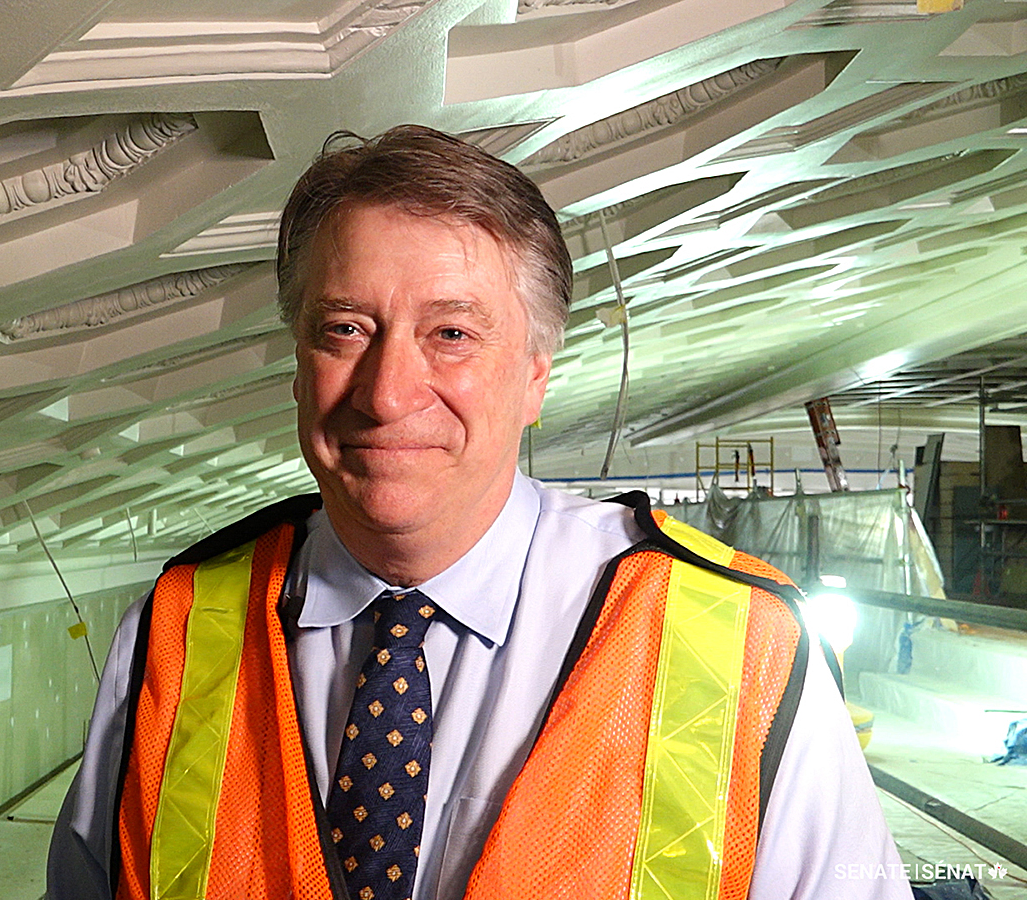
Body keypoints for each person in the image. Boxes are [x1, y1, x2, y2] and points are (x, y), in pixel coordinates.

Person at [47, 125, 910, 900]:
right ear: (298, 363)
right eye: (345, 329)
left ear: (536, 375)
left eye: (451, 334)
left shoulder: (739, 643)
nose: (387, 394)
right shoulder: (175, 630)